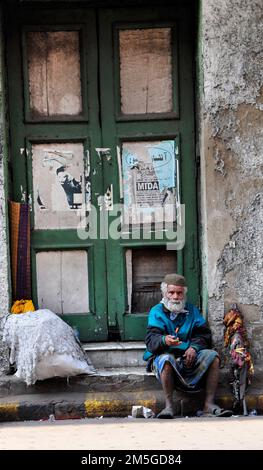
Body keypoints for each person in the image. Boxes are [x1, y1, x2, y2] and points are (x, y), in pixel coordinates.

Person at [144, 273, 233, 419]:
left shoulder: (191, 310)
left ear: (184, 294)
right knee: (166, 359)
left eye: (179, 293)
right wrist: (164, 340)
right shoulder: (156, 312)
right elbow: (151, 339)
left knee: (213, 356)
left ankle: (208, 405)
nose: (175, 297)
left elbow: (204, 335)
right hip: (166, 357)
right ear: (165, 293)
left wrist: (194, 348)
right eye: (171, 292)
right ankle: (169, 406)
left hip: (189, 356)